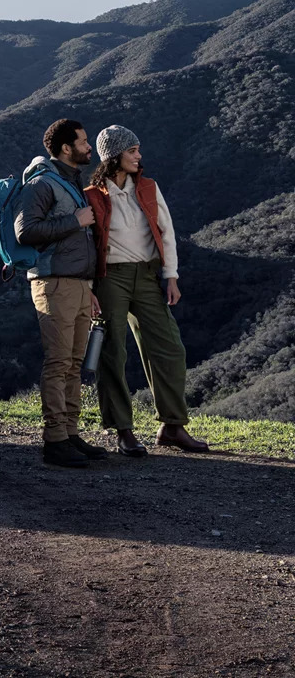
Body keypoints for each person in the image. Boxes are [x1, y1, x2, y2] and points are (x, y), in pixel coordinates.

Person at [84, 125, 208, 455]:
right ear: (113, 157)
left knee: (169, 347)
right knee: (113, 352)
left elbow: (166, 232)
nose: (139, 156)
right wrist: (88, 288)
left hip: (149, 275)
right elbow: (82, 246)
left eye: (138, 150)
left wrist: (171, 277)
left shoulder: (149, 188)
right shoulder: (92, 196)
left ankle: (172, 426)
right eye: (132, 151)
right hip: (110, 277)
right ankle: (123, 431)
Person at [14, 118, 107, 468]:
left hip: (79, 285)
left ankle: (69, 433)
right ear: (66, 148)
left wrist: (89, 287)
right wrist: (76, 222)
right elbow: (26, 231)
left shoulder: (70, 182)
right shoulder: (41, 184)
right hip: (53, 283)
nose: (88, 147)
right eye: (83, 142)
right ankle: (54, 440)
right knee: (58, 362)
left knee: (73, 364)